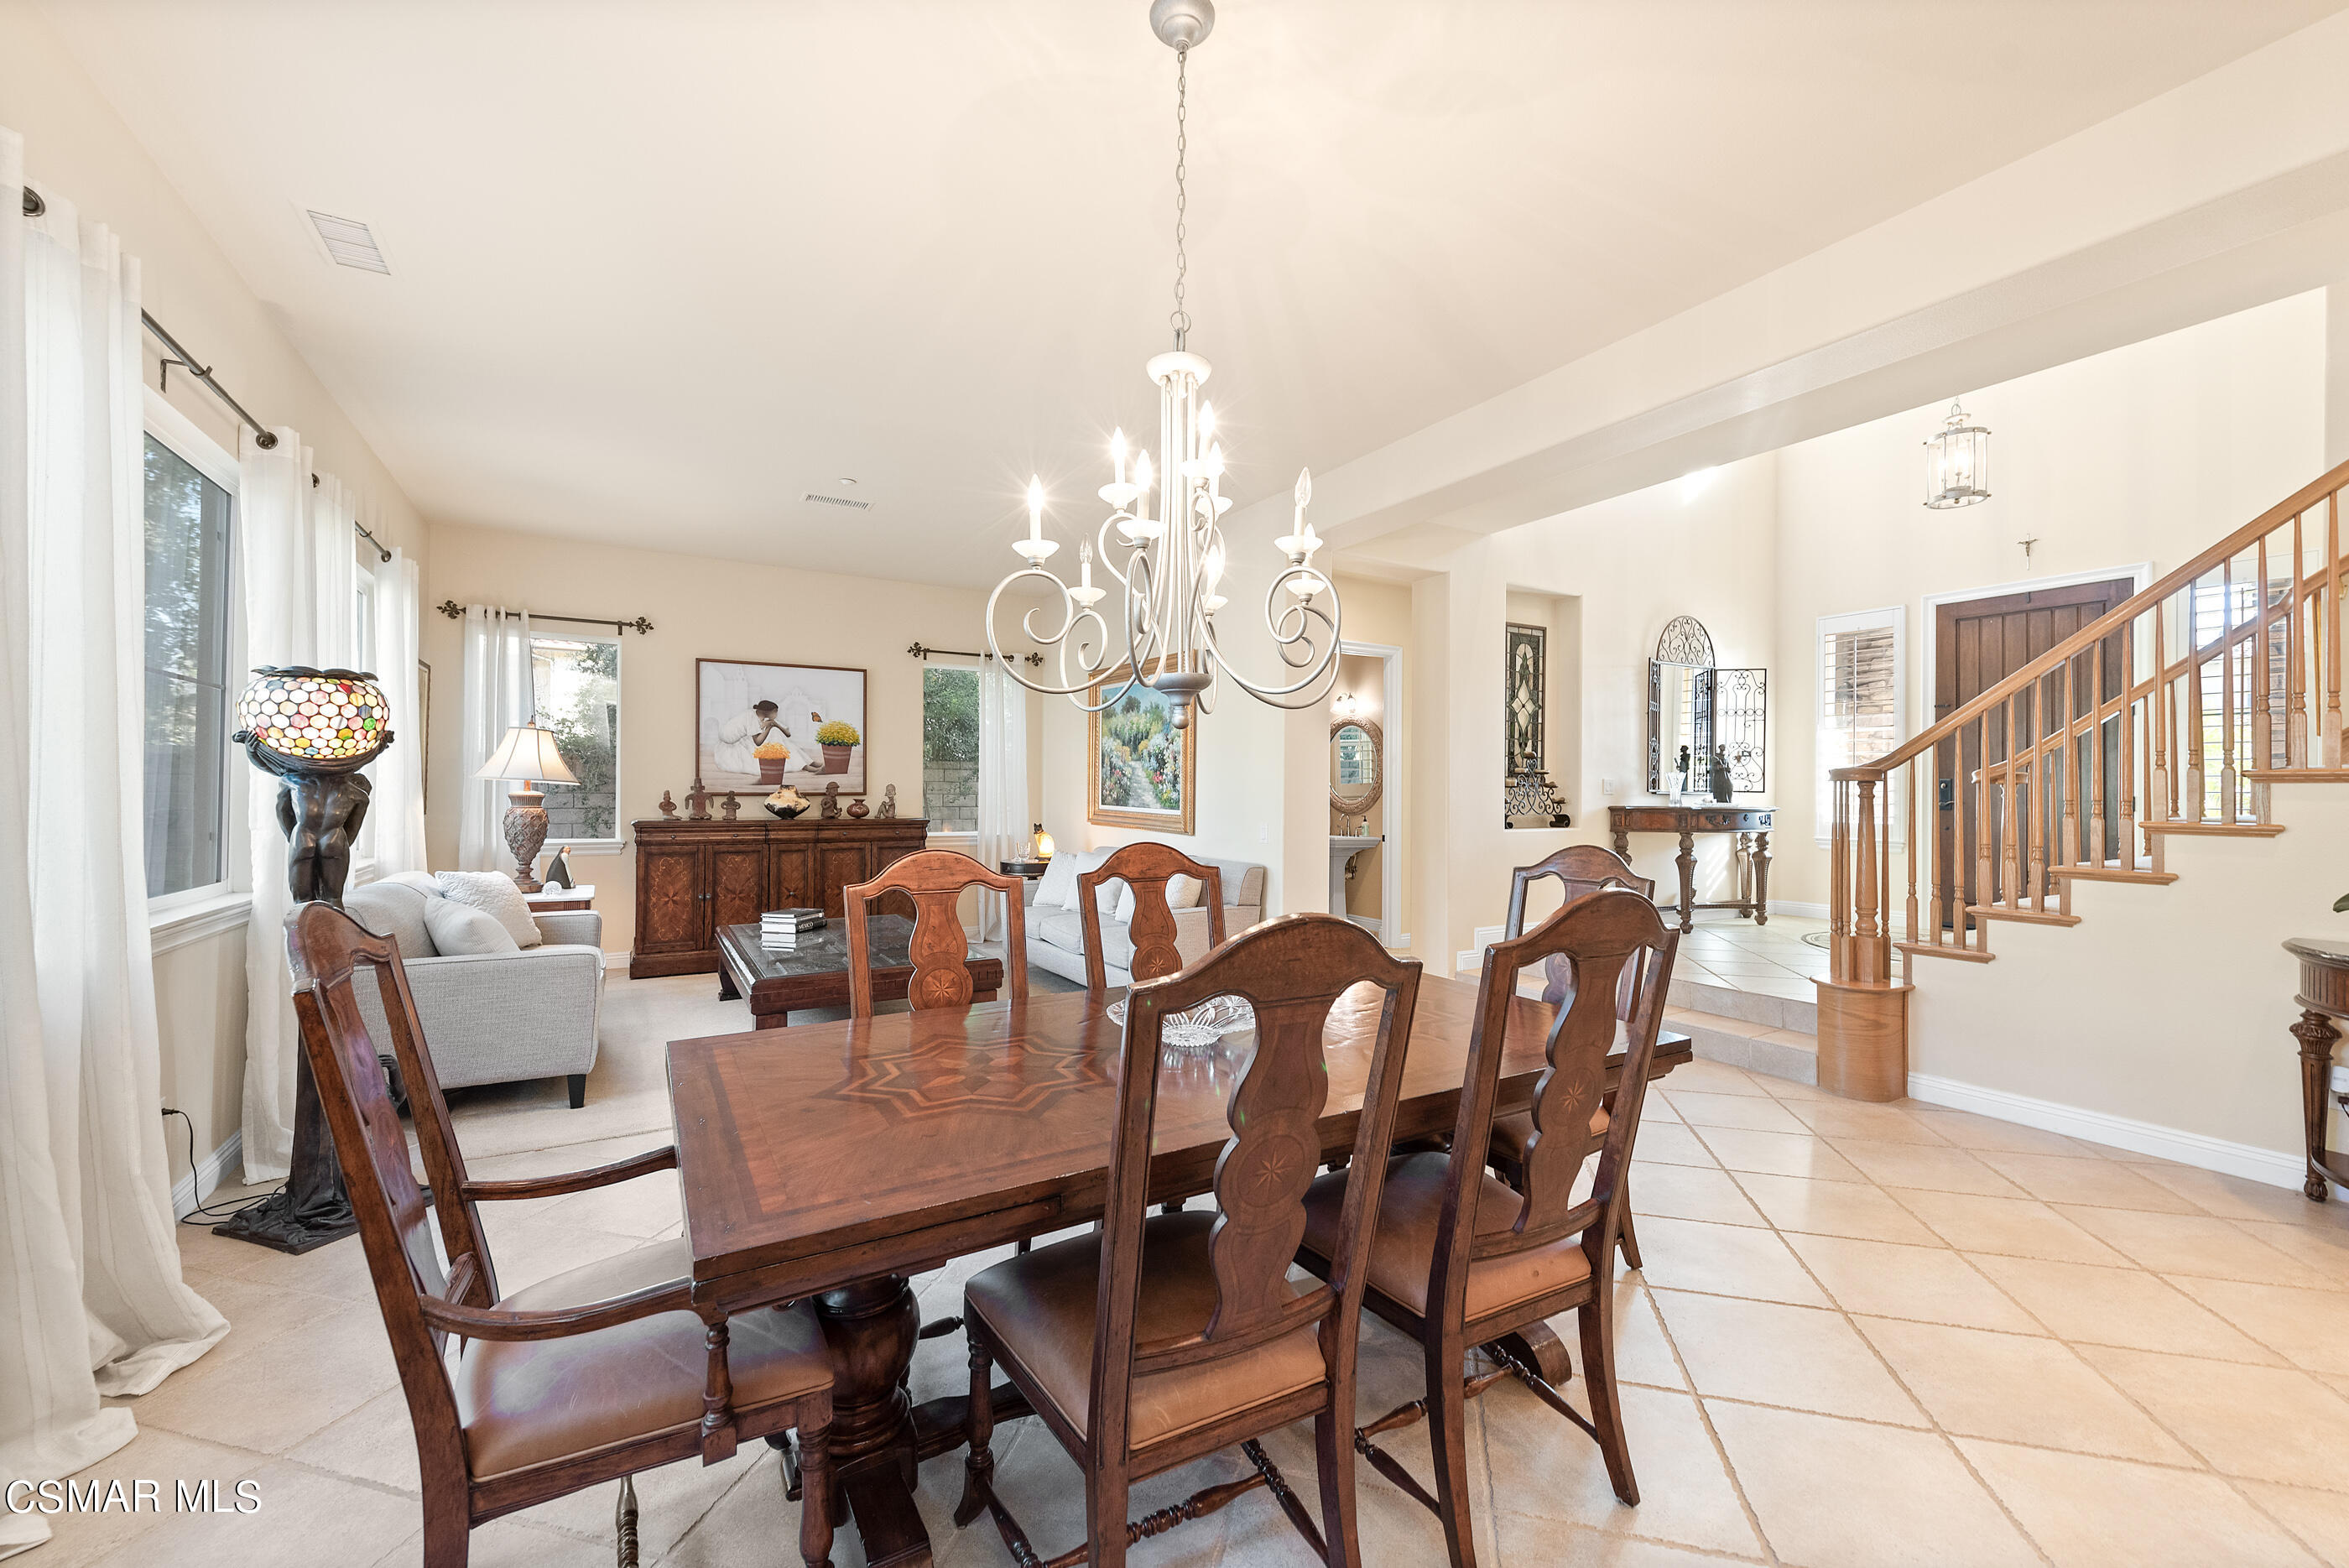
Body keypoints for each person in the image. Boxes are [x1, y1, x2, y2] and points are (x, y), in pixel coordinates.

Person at [712, 699, 784, 778]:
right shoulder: (753, 719)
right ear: (768, 712)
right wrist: (769, 727)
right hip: (729, 740)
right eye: (775, 712)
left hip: (724, 734)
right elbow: (758, 742)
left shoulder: (752, 713)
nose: (776, 715)